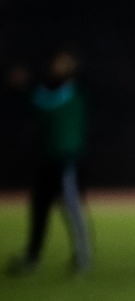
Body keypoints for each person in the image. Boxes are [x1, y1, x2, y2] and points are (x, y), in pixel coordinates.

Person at [8, 51, 92, 276]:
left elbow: (47, 104)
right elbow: (40, 100)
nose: (57, 65)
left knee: (71, 209)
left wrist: (24, 87)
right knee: (39, 208)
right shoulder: (51, 92)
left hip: (66, 161)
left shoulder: (75, 92)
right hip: (47, 160)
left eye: (64, 63)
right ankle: (32, 258)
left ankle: (83, 257)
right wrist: (22, 88)